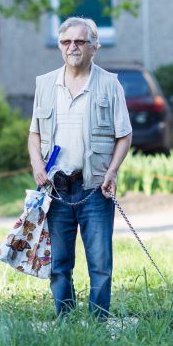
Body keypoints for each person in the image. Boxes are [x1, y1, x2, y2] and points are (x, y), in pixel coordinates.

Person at [28, 17, 132, 320]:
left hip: (94, 189)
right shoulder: (45, 84)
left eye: (80, 42)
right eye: (66, 42)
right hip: (56, 190)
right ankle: (67, 321)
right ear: (60, 46)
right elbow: (34, 134)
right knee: (59, 264)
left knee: (100, 264)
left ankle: (98, 322)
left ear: (94, 47)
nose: (72, 47)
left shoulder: (110, 84)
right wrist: (37, 166)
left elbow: (124, 135)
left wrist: (111, 171)